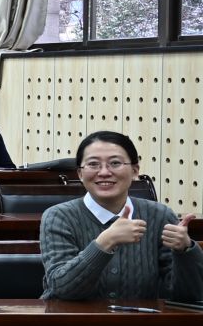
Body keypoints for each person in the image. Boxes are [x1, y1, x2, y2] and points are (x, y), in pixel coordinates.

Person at [40, 130, 202, 303]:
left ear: (134, 170)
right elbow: (63, 289)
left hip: (140, 319)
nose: (104, 172)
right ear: (80, 173)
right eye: (93, 164)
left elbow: (190, 296)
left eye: (115, 163)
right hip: (69, 319)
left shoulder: (160, 215)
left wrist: (186, 251)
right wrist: (105, 242)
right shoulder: (58, 217)